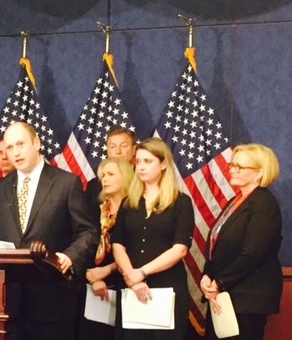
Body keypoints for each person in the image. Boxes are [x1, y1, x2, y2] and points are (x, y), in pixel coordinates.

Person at [0, 122, 99, 339]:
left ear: (36, 143)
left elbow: (88, 232)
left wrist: (70, 257)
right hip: (8, 303)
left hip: (52, 299)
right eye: (10, 148)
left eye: (20, 144)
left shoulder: (66, 183)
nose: (15, 153)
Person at [112, 137, 194, 340]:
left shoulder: (181, 202)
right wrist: (132, 277)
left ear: (164, 164)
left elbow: (180, 248)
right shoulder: (128, 202)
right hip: (131, 286)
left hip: (167, 287)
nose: (141, 167)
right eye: (138, 161)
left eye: (148, 161)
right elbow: (118, 245)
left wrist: (143, 272)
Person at [200, 143, 282, 340]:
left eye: (240, 167)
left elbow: (253, 252)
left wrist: (219, 282)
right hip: (225, 295)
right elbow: (217, 243)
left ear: (259, 174)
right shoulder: (236, 201)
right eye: (232, 165)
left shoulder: (264, 203)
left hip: (247, 298)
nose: (232, 170)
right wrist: (207, 274)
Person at [79, 157, 134, 340]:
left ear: (125, 177)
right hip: (95, 285)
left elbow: (137, 250)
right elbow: (86, 243)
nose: (105, 179)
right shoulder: (97, 208)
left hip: (127, 283)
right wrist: (94, 277)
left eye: (111, 174)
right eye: (103, 175)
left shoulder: (135, 208)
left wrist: (106, 271)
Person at [86, 127, 137, 205]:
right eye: (113, 147)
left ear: (134, 150)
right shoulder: (95, 186)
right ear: (107, 150)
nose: (118, 152)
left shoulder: (143, 180)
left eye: (123, 146)